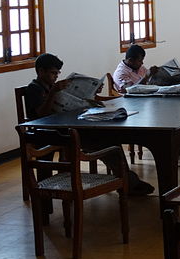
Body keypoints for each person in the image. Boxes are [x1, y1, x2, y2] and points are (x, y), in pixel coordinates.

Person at [26, 53, 155, 196]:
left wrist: (91, 95)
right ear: (40, 71)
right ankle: (128, 183)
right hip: (50, 133)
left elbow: (73, 105)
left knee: (111, 142)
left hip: (68, 128)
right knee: (105, 143)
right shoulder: (34, 88)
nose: (56, 76)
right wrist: (53, 92)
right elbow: (41, 115)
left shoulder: (52, 87)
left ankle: (127, 181)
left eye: (57, 73)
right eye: (52, 73)